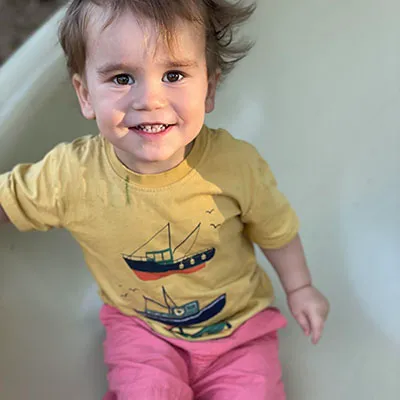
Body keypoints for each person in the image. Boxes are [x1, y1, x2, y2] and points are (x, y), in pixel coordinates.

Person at [0, 0, 330, 398]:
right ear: (85, 95)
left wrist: (300, 288)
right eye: (122, 79)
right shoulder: (72, 175)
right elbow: (10, 199)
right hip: (142, 331)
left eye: (173, 74)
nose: (150, 99)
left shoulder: (235, 166)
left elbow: (277, 230)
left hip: (239, 329)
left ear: (208, 88)